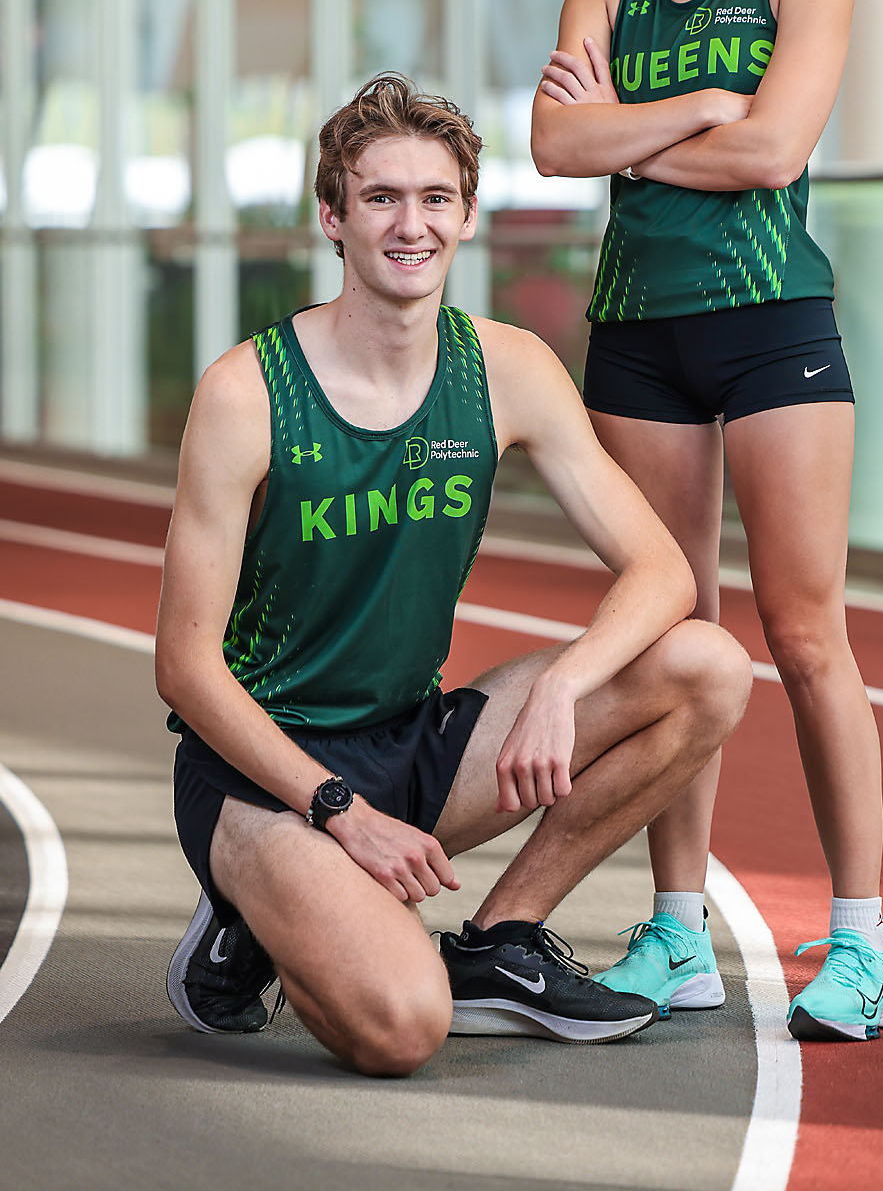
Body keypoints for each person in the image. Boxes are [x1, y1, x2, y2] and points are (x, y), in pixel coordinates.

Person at [156, 72, 752, 1075]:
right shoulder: (246, 393)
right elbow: (184, 667)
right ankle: (259, 911)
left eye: (434, 198)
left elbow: (661, 567)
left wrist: (563, 682)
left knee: (706, 667)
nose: (409, 225)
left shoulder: (507, 369)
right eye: (379, 197)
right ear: (331, 216)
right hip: (260, 775)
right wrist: (336, 812)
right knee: (400, 1028)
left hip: (412, 742)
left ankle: (499, 939)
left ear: (468, 217)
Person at [531, 0, 883, 1043]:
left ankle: (861, 941)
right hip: (635, 330)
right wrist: (693, 111)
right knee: (679, 640)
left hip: (768, 323)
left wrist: (621, 129)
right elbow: (548, 149)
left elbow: (773, 153)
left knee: (804, 638)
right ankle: (675, 931)